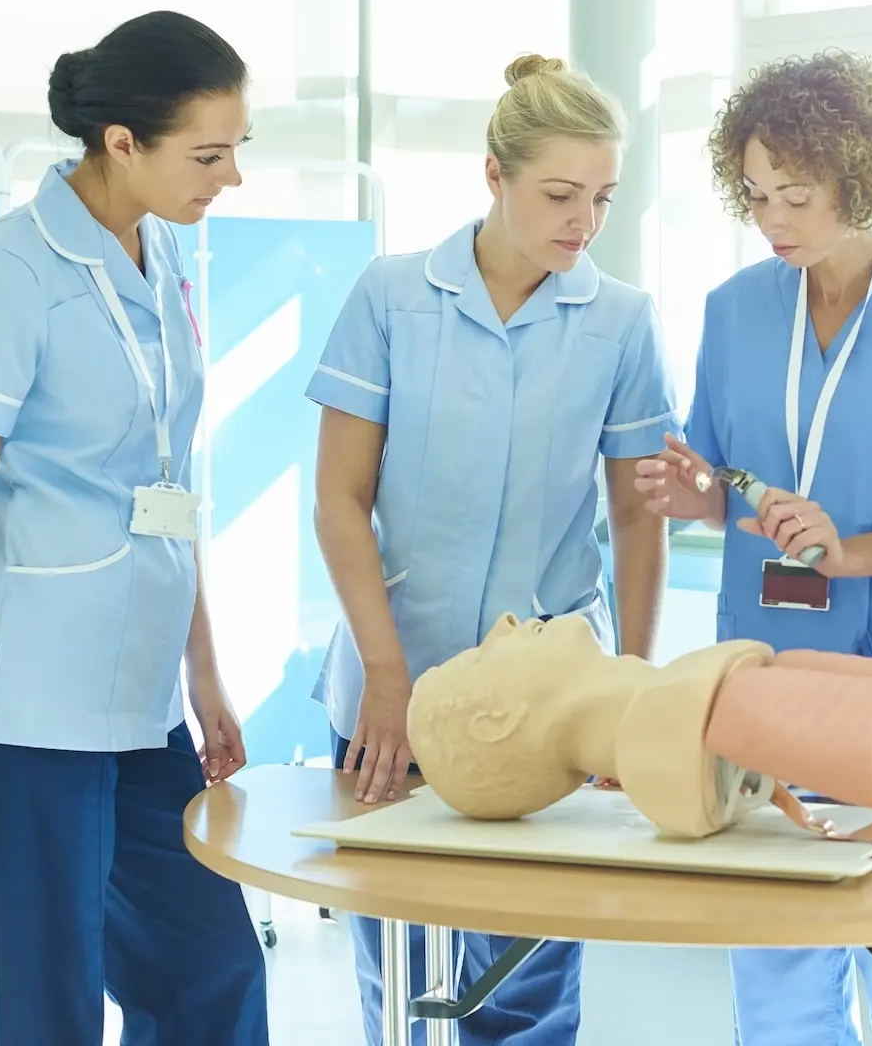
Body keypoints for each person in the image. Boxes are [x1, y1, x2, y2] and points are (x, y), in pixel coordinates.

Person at [0, 11, 267, 1046]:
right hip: (30, 719)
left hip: (144, 706)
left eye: (238, 148)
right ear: (120, 144)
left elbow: (168, 482)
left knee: (215, 975)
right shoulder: (7, 278)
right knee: (51, 1006)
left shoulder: (163, 259)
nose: (230, 176)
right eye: (207, 153)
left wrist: (203, 674)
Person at [309, 53, 676, 1046]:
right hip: (394, 688)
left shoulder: (621, 321)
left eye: (602, 197)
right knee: (401, 975)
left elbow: (639, 514)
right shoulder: (391, 297)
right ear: (493, 175)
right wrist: (385, 673)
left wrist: (633, 691)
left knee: (525, 984)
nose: (583, 222)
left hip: (553, 704)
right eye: (560, 194)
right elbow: (339, 499)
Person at [637, 49, 872, 1046]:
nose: (773, 220)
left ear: (864, 175)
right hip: (759, 689)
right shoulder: (733, 310)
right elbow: (725, 489)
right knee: (780, 977)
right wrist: (694, 495)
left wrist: (857, 555)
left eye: (795, 194)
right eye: (754, 195)